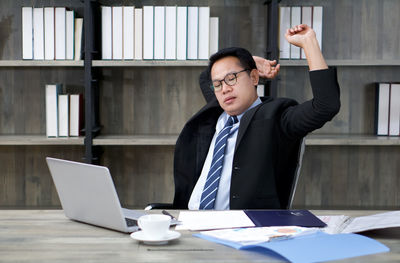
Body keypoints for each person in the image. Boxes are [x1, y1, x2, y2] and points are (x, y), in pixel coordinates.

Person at [173, 24, 340, 210]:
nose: (225, 88)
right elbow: (206, 78)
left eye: (232, 78)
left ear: (254, 78)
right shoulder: (218, 108)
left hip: (240, 227)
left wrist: (309, 43)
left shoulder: (277, 117)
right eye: (218, 84)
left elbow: (325, 106)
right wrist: (248, 62)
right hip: (188, 220)